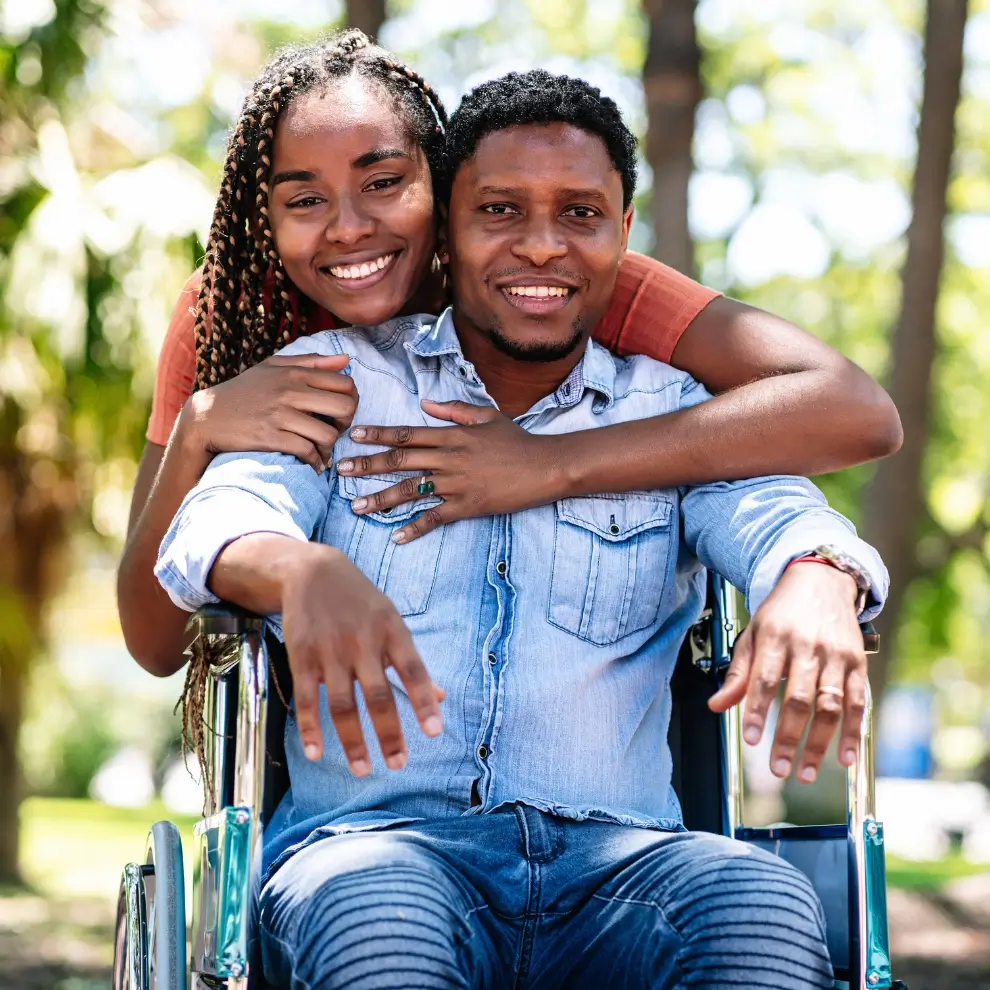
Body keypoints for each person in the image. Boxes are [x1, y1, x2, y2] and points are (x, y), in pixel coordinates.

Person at [156, 70, 888, 989]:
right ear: (444, 238)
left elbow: (776, 509)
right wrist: (295, 569)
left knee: (762, 903)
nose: (541, 246)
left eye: (581, 215)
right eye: (499, 211)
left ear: (623, 233)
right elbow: (221, 517)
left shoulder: (670, 410)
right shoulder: (337, 381)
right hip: (379, 849)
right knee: (378, 922)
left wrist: (819, 570)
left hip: (625, 864)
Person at [119, 30, 901, 679]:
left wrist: (550, 462)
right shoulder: (231, 312)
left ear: (443, 183)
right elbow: (155, 645)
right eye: (304, 200)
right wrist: (199, 427)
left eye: (385, 182)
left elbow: (854, 411)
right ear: (267, 215)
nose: (349, 227)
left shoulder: (553, 278)